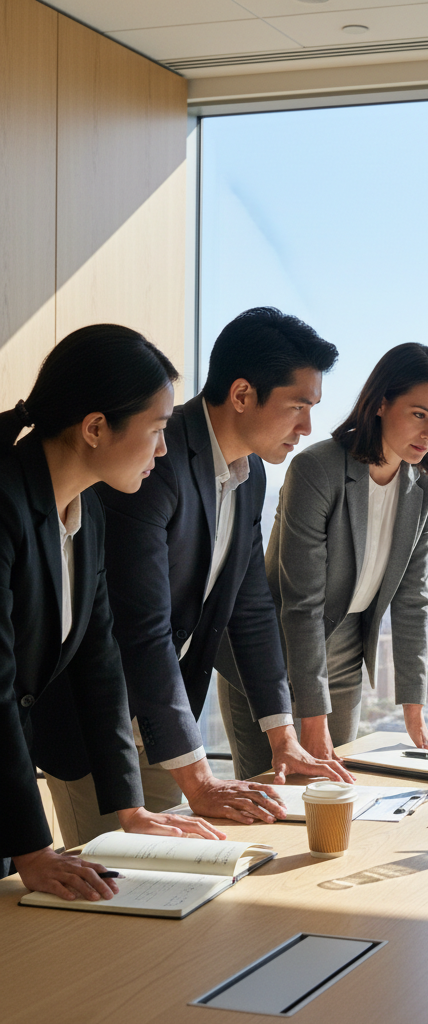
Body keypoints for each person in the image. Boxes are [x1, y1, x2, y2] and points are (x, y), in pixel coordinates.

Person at [52, 307, 354, 845]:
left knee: (169, 875)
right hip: (99, 720)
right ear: (242, 394)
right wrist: (200, 778)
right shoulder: (152, 460)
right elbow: (140, 624)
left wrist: (282, 733)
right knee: (113, 891)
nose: (308, 427)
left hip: (162, 722)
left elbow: (251, 606)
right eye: (298, 407)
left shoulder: (251, 473)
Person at [1, 325, 225, 903]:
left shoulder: (89, 510)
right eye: (156, 429)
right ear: (96, 428)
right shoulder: (4, 503)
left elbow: (99, 664)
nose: (163, 449)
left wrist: (130, 809)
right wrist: (34, 848)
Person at [220, 343, 428, 781]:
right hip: (271, 652)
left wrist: (415, 712)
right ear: (382, 403)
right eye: (420, 414)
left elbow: (412, 595)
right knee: (272, 799)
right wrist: (311, 721)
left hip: (347, 650)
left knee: (334, 795)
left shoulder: (423, 483)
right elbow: (303, 602)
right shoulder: (318, 469)